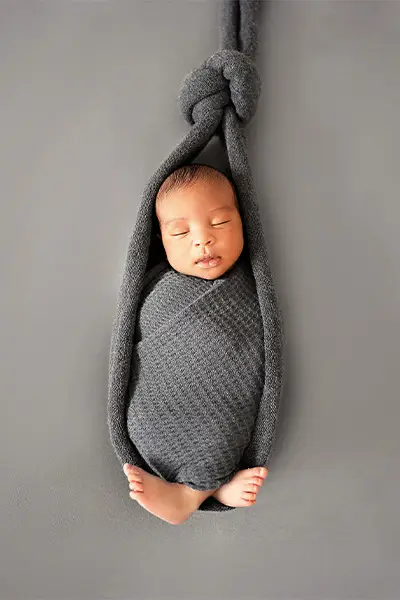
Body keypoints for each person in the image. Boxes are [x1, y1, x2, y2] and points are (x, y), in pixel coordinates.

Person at [124, 164, 268, 525]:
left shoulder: (251, 288)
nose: (203, 240)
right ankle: (211, 486)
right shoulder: (157, 286)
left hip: (224, 401)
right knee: (144, 420)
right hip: (162, 397)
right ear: (160, 240)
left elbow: (251, 355)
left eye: (219, 223)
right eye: (180, 231)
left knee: (225, 427)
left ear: (244, 222)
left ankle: (194, 492)